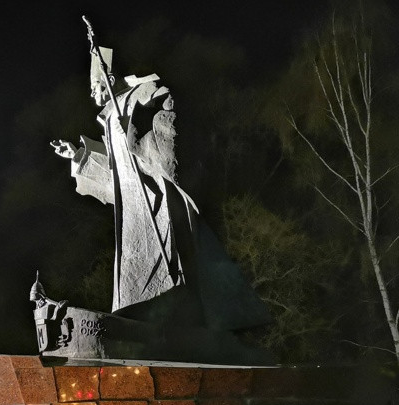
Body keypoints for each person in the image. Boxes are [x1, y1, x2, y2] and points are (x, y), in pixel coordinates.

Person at [51, 37, 271, 339]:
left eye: (96, 87)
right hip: (131, 205)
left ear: (109, 79)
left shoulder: (129, 99)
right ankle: (141, 316)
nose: (93, 94)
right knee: (133, 263)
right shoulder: (107, 117)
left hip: (154, 195)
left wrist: (157, 134)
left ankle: (181, 313)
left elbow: (166, 99)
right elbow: (113, 173)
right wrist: (77, 154)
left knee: (173, 252)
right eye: (91, 90)